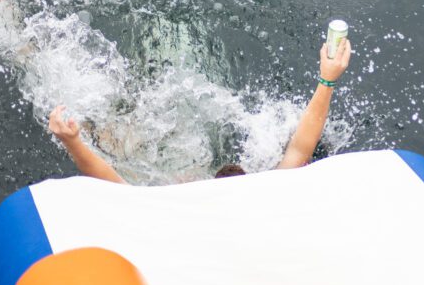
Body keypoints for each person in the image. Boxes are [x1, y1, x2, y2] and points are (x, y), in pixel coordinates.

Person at [48, 38, 352, 183]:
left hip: (167, 176)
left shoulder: (184, 205)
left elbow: (115, 183)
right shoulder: (266, 196)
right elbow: (300, 147)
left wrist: (73, 142)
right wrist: (327, 78)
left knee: (117, 146)